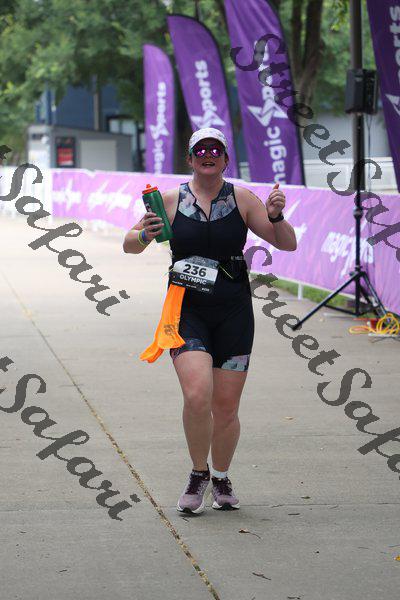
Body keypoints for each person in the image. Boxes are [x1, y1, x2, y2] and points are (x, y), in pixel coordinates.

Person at [123, 127, 297, 515]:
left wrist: (276, 216)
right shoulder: (168, 200)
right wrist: (145, 235)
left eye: (215, 150)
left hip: (234, 311)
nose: (208, 155)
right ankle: (198, 473)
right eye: (200, 150)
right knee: (197, 395)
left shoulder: (242, 198)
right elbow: (129, 245)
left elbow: (287, 242)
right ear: (189, 158)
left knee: (226, 406)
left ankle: (221, 477)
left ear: (226, 159)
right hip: (187, 311)